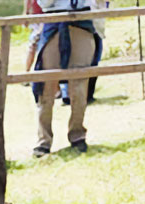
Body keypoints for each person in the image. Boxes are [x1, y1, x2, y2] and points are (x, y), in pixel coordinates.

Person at [31, 0, 101, 157]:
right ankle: (43, 140)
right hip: (53, 22)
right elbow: (43, 3)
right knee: (46, 86)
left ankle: (77, 134)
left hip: (82, 20)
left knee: (80, 84)